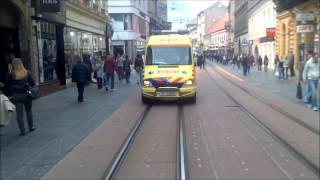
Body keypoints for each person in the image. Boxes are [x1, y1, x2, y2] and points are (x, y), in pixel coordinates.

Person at [5, 58, 36, 136]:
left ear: (13, 65)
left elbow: (7, 84)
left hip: (16, 96)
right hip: (27, 95)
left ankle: (22, 131)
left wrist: (9, 71)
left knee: (19, 114)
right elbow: (33, 83)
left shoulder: (11, 74)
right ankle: (31, 126)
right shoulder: (27, 72)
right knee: (28, 111)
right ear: (21, 64)